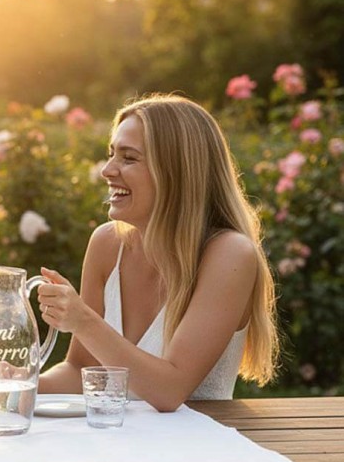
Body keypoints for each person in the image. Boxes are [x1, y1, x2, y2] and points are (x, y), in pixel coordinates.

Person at [37, 94, 279, 410]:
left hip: (200, 454)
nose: (107, 170)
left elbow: (169, 390)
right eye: (111, 154)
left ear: (176, 171)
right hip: (115, 448)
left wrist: (84, 321)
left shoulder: (229, 255)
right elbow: (80, 371)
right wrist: (17, 383)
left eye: (128, 157)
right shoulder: (107, 244)